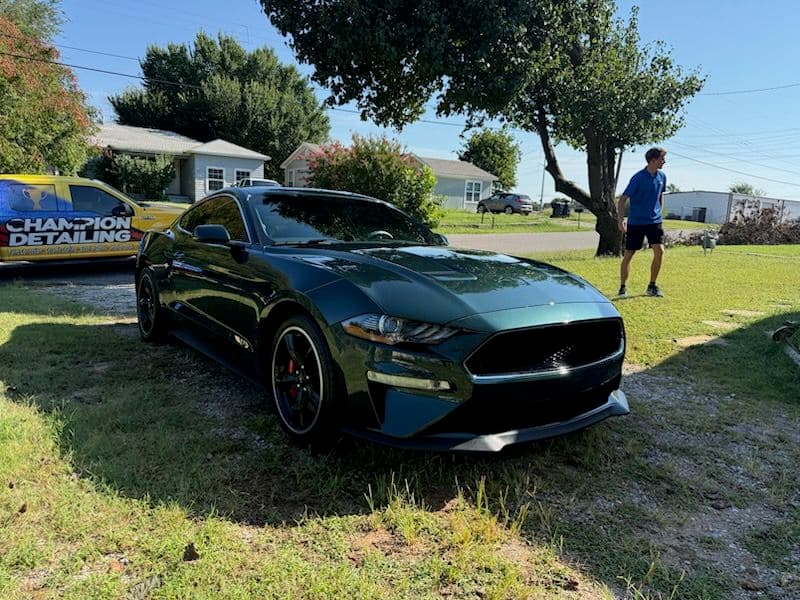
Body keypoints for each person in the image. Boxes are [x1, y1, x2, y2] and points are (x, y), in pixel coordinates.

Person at [617, 147, 667, 298]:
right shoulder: (638, 178)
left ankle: (652, 286)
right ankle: (623, 288)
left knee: (660, 251)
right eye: (662, 159)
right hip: (636, 222)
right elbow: (622, 200)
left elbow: (660, 195)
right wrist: (621, 220)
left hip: (654, 222)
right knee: (629, 254)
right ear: (653, 160)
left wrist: (659, 212)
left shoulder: (662, 176)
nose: (664, 161)